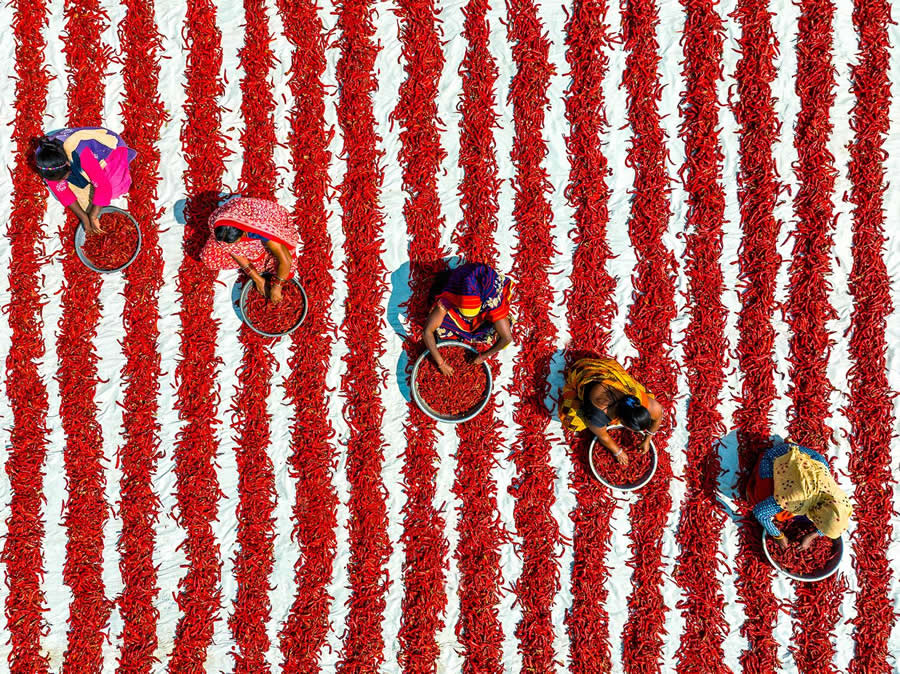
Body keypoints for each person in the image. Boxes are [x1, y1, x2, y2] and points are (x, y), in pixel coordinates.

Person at [746, 440, 852, 549]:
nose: (819, 527)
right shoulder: (795, 499)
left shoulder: (840, 503)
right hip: (774, 457)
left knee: (801, 512)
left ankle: (792, 454)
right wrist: (778, 535)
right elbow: (760, 513)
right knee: (763, 498)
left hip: (813, 459)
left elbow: (833, 521)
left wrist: (811, 536)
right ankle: (762, 464)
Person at [559, 357, 663, 466]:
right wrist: (618, 452)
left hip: (602, 369)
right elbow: (603, 436)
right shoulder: (598, 415)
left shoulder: (633, 399)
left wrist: (647, 439)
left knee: (639, 392)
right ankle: (573, 390)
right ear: (622, 421)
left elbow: (659, 415)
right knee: (571, 422)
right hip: (579, 372)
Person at [34, 128, 137, 235]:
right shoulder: (44, 160)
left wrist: (93, 216)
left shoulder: (80, 152)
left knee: (114, 188)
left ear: (68, 164)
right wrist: (84, 218)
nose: (62, 181)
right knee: (75, 196)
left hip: (104, 151)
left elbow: (103, 186)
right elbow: (62, 192)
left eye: (63, 177)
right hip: (67, 152)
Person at [200, 196, 297, 304]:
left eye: (235, 241)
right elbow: (232, 249)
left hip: (270, 220)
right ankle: (255, 258)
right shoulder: (219, 223)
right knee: (209, 257)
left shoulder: (263, 230)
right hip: (237, 219)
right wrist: (257, 279)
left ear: (244, 233)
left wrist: (277, 286)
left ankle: (259, 256)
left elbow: (286, 260)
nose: (232, 246)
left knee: (286, 271)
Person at [422, 262, 514, 376]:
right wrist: (441, 363)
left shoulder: (491, 301)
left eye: (472, 317)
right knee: (438, 324)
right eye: (466, 316)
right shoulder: (451, 294)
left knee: (498, 329)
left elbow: (507, 338)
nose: (469, 320)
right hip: (460, 282)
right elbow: (427, 331)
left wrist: (483, 356)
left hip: (485, 286)